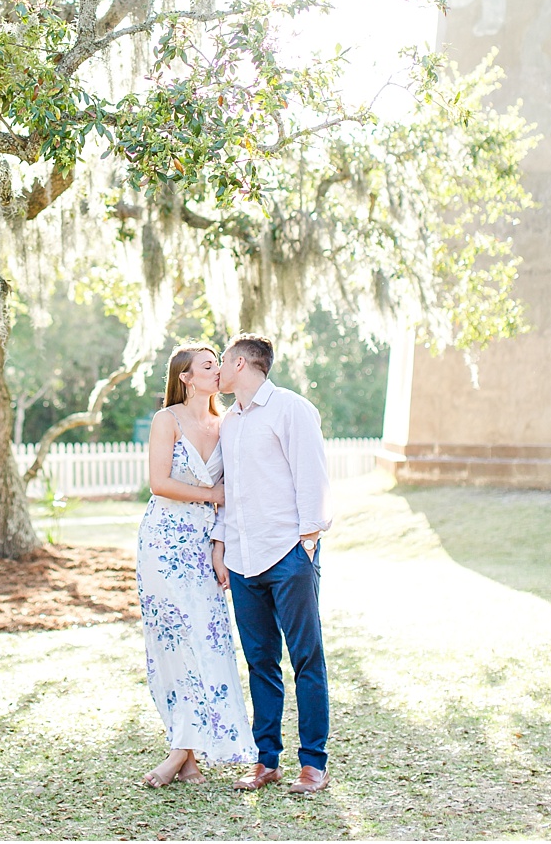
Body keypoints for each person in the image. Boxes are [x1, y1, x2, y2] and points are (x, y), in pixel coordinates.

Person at [209, 333, 334, 794]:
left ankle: (313, 764)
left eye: (222, 361)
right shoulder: (231, 422)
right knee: (261, 661)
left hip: (288, 554)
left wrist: (308, 539)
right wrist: (222, 545)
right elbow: (231, 491)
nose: (218, 369)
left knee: (306, 658)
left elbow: (312, 474)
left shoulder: (291, 409)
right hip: (243, 559)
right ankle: (267, 761)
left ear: (241, 364)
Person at [136, 344, 257, 786]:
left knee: (206, 641)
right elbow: (159, 483)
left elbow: (234, 492)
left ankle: (185, 756)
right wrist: (213, 495)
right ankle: (182, 753)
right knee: (173, 645)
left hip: (205, 547)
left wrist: (220, 548)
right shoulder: (166, 420)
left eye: (218, 364)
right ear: (186, 377)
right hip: (164, 543)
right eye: (208, 365)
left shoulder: (229, 424)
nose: (218, 370)